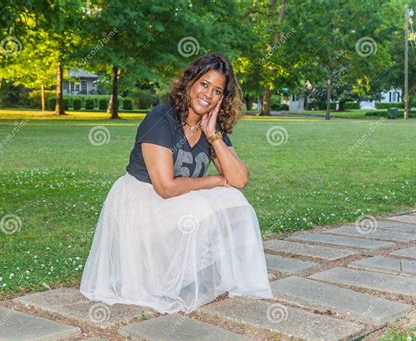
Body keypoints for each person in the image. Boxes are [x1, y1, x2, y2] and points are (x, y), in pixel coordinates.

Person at [80, 52, 273, 314]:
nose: (208, 94)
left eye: (217, 91)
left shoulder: (210, 127)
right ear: (190, 82)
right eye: (204, 84)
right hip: (142, 201)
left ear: (222, 99)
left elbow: (239, 180)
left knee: (236, 203)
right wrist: (216, 180)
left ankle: (184, 273)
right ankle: (160, 274)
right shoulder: (161, 118)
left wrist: (212, 134)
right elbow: (165, 187)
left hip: (176, 203)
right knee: (204, 206)